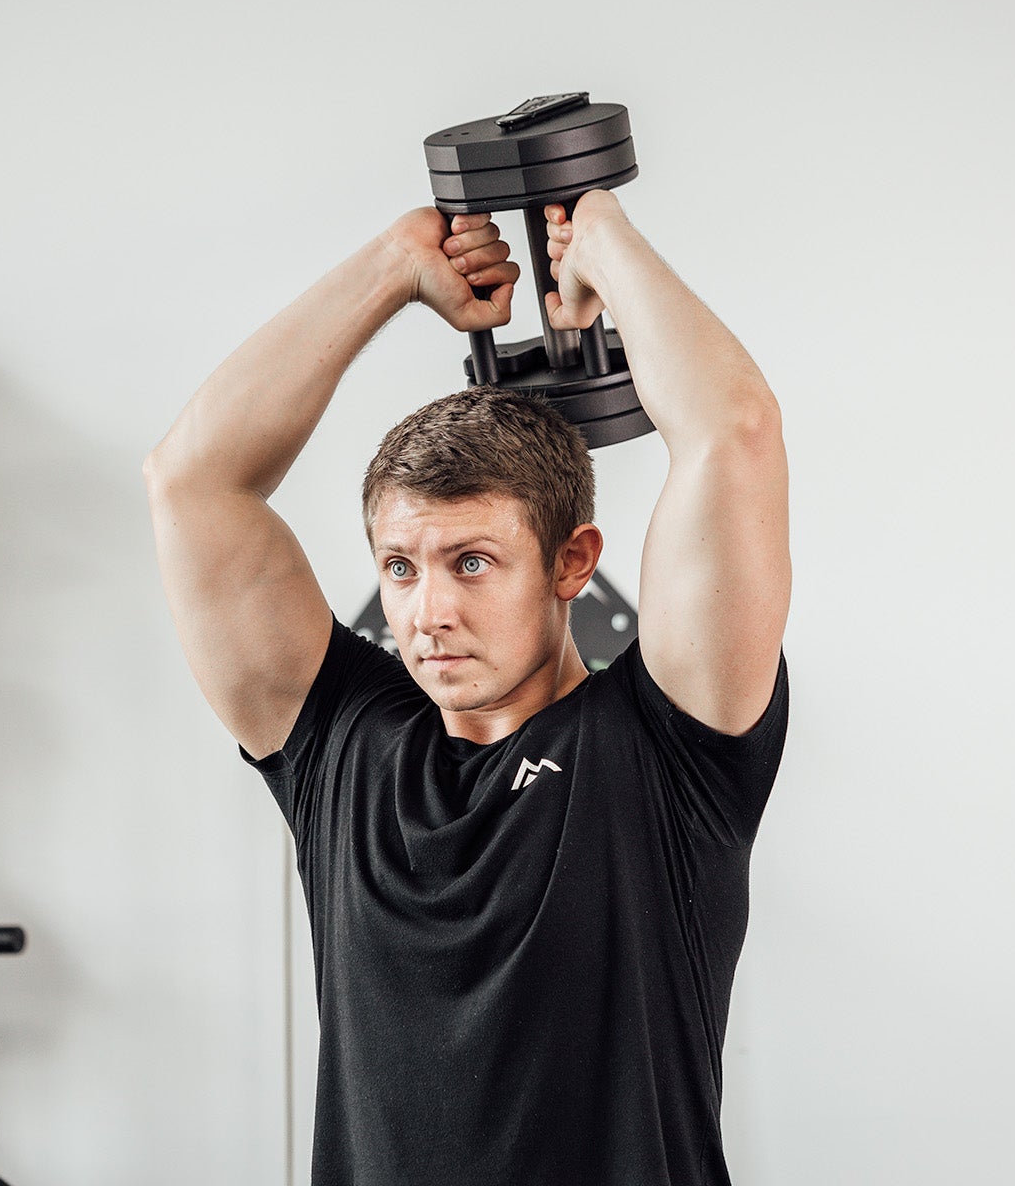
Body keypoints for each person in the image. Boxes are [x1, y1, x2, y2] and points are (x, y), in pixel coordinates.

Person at [144, 189, 791, 1185]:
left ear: (572, 562)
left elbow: (733, 433)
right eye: (401, 567)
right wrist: (397, 268)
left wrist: (601, 241)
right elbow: (191, 481)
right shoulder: (340, 749)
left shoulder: (665, 754)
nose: (426, 610)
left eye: (473, 562)